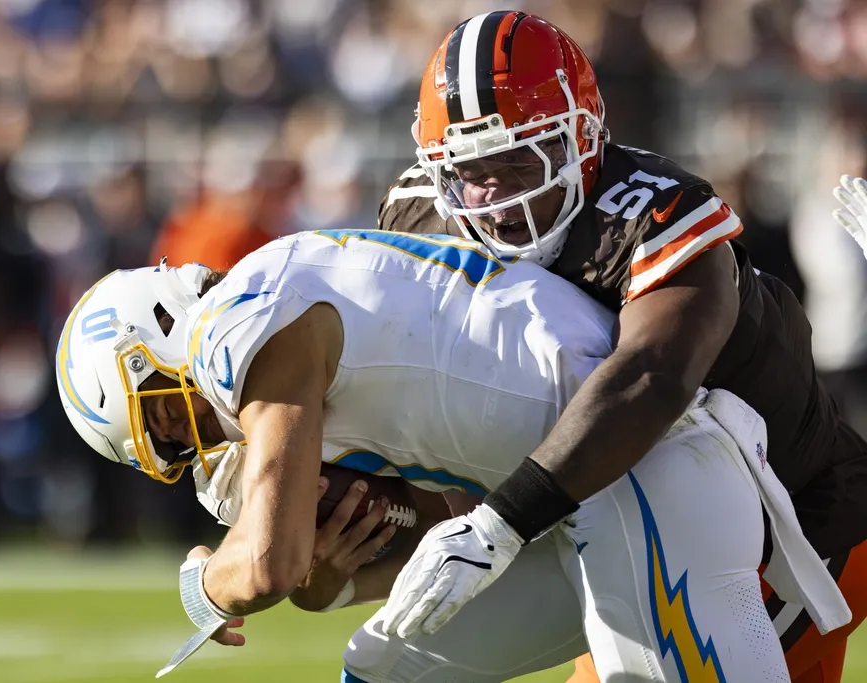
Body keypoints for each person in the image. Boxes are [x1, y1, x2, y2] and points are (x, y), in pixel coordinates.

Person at [55, 229, 847, 681]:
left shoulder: (242, 319)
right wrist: (331, 585)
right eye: (162, 451)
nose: (188, 439)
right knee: (382, 670)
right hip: (572, 503)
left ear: (156, 330)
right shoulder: (288, 361)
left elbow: (259, 564)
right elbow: (452, 537)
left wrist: (204, 581)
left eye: (163, 417)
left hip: (651, 464)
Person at [378, 11, 867, 682]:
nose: (494, 198)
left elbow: (649, 378)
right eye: (468, 169)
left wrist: (500, 523)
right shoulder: (419, 217)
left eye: (521, 159)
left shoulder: (657, 214)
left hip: (786, 527)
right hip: (620, 519)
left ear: (584, 135)